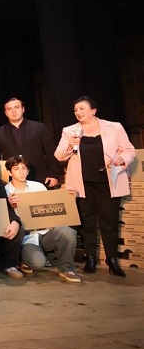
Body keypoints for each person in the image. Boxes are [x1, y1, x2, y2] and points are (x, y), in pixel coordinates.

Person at [54, 96, 135, 277]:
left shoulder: (114, 127)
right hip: (82, 184)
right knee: (86, 222)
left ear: (93, 110)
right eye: (75, 110)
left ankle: (112, 259)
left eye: (82, 109)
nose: (78, 112)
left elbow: (129, 150)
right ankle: (90, 258)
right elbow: (59, 155)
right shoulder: (69, 131)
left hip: (108, 182)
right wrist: (70, 145)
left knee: (109, 222)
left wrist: (123, 159)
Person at [4, 156, 81, 283]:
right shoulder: (6, 190)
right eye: (16, 169)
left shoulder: (38, 186)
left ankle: (67, 269)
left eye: (24, 168)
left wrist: (68, 198)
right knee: (38, 263)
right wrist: (10, 205)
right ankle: (25, 260)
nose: (21, 172)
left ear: (28, 171)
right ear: (10, 172)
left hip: (45, 230)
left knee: (68, 232)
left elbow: (50, 208)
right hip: (27, 236)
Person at [0, 98, 60, 187]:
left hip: (40, 178)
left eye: (16, 107)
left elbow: (51, 152)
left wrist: (53, 174)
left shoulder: (39, 128)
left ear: (23, 109)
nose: (13, 111)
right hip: (12, 182)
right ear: (5, 113)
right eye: (9, 109)